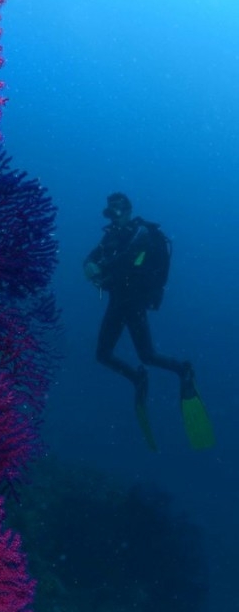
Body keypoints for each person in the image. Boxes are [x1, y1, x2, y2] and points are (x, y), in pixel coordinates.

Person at [83, 192, 213, 449]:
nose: (114, 213)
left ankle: (182, 370)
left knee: (147, 354)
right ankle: (137, 378)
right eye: (111, 209)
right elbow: (91, 257)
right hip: (117, 301)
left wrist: (102, 267)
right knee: (103, 354)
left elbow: (123, 260)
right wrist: (89, 265)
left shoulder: (141, 232)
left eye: (119, 208)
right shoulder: (111, 235)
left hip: (134, 302)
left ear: (129, 209)